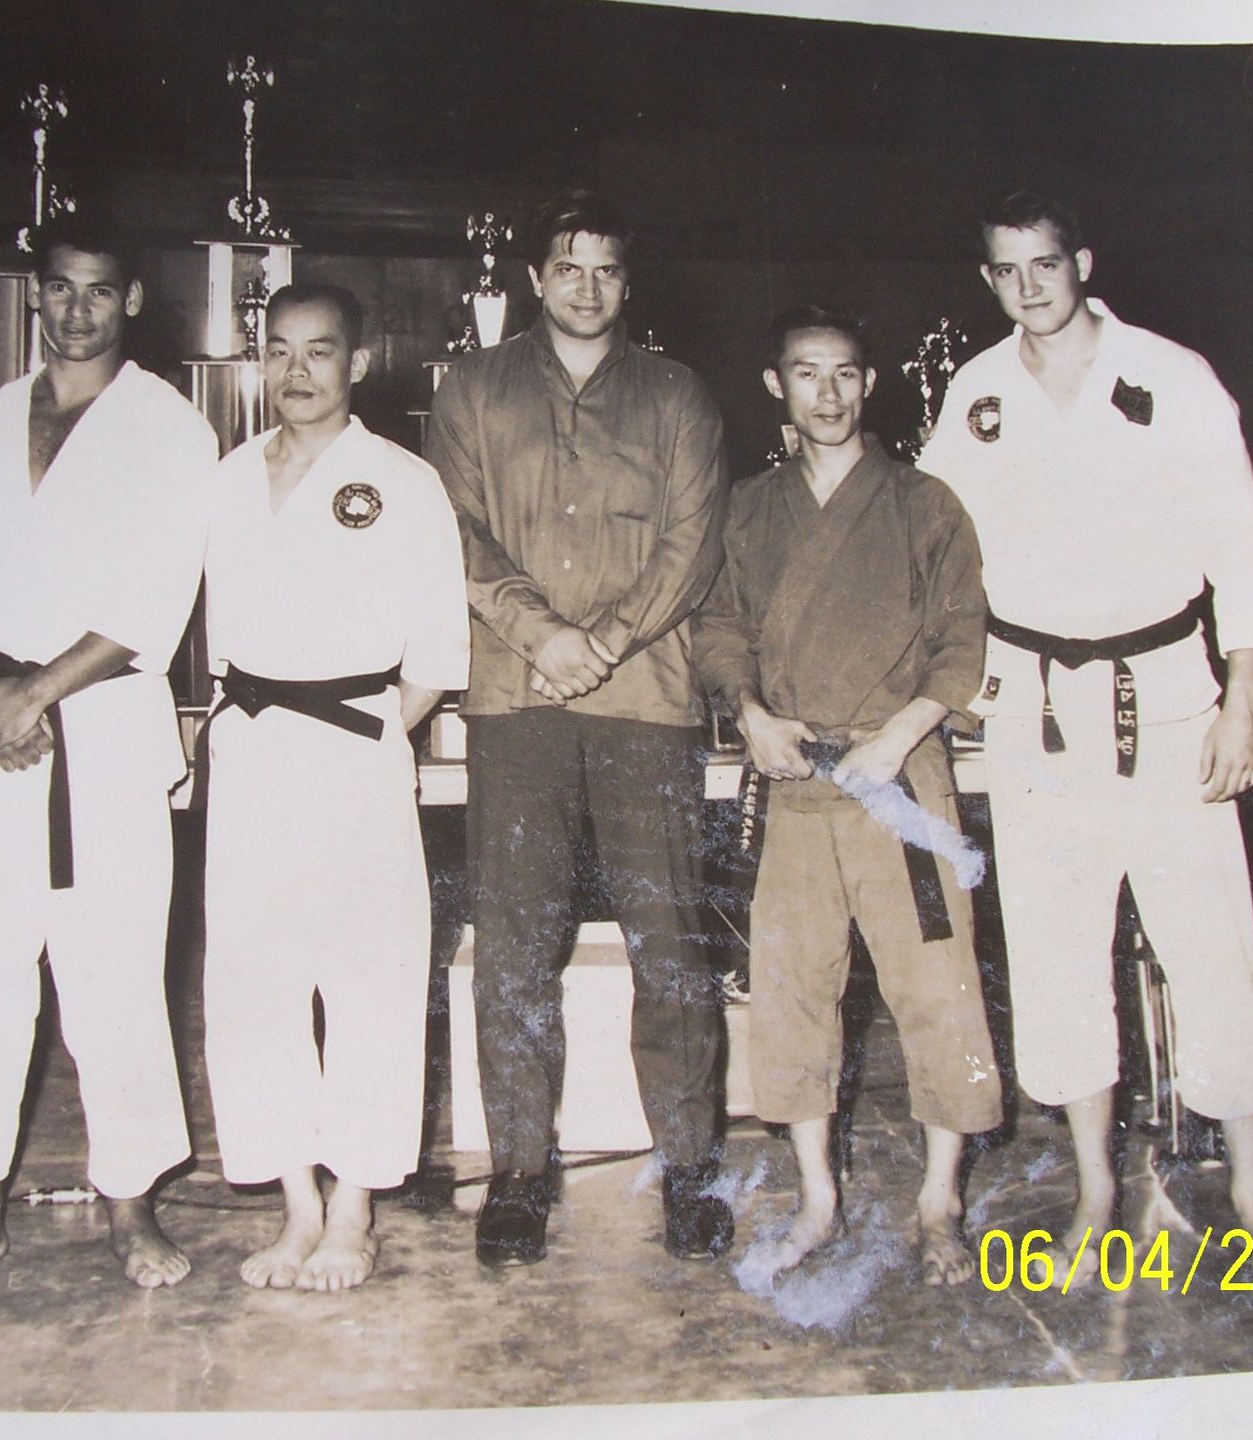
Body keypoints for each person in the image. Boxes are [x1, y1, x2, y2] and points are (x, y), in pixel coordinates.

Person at [918, 189, 1253, 1278]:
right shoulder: (979, 393)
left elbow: (1243, 547)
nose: (1029, 288)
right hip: (1035, 707)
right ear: (988, 279)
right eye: (1006, 271)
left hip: (1172, 697)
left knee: (1211, 947)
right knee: (1054, 950)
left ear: (1081, 260)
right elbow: (940, 548)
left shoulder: (1174, 379)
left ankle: (1249, 1184)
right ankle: (1094, 1187)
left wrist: (1243, 699)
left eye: (1045, 265)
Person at [0, 215, 213, 1298]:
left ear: (131, 300)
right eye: (59, 290)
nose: (76, 309)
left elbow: (156, 595)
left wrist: (38, 693)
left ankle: (131, 1207)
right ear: (34, 296)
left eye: (98, 291)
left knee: (116, 978)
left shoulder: (171, 429)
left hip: (105, 727)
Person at [427, 190, 732, 1266]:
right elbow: (450, 528)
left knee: (673, 946)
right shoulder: (470, 387)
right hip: (516, 701)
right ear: (532, 276)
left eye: (606, 269)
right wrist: (540, 635)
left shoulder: (679, 395)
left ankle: (690, 1169)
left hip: (645, 700)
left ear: (628, 282)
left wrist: (597, 640)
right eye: (568, 268)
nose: (587, 287)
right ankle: (518, 1173)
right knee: (514, 948)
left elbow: (694, 545)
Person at [695, 306, 1003, 1282]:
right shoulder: (747, 509)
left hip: (899, 781)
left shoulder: (923, 504)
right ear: (775, 385)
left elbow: (961, 638)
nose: (825, 393)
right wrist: (748, 710)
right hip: (794, 780)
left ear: (870, 384)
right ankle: (818, 1197)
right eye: (805, 374)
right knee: (792, 993)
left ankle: (940, 1200)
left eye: (844, 374)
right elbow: (719, 628)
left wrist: (904, 731)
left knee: (935, 987)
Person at [202, 283, 468, 1291]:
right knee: (254, 982)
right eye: (279, 351)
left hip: (356, 741)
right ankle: (296, 1205)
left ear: (357, 364)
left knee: (369, 977)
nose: (298, 370)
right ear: (258, 361)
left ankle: (356, 1208)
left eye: (320, 351)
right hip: (250, 746)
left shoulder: (401, 481)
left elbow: (438, 655)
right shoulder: (226, 479)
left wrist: (358, 743)